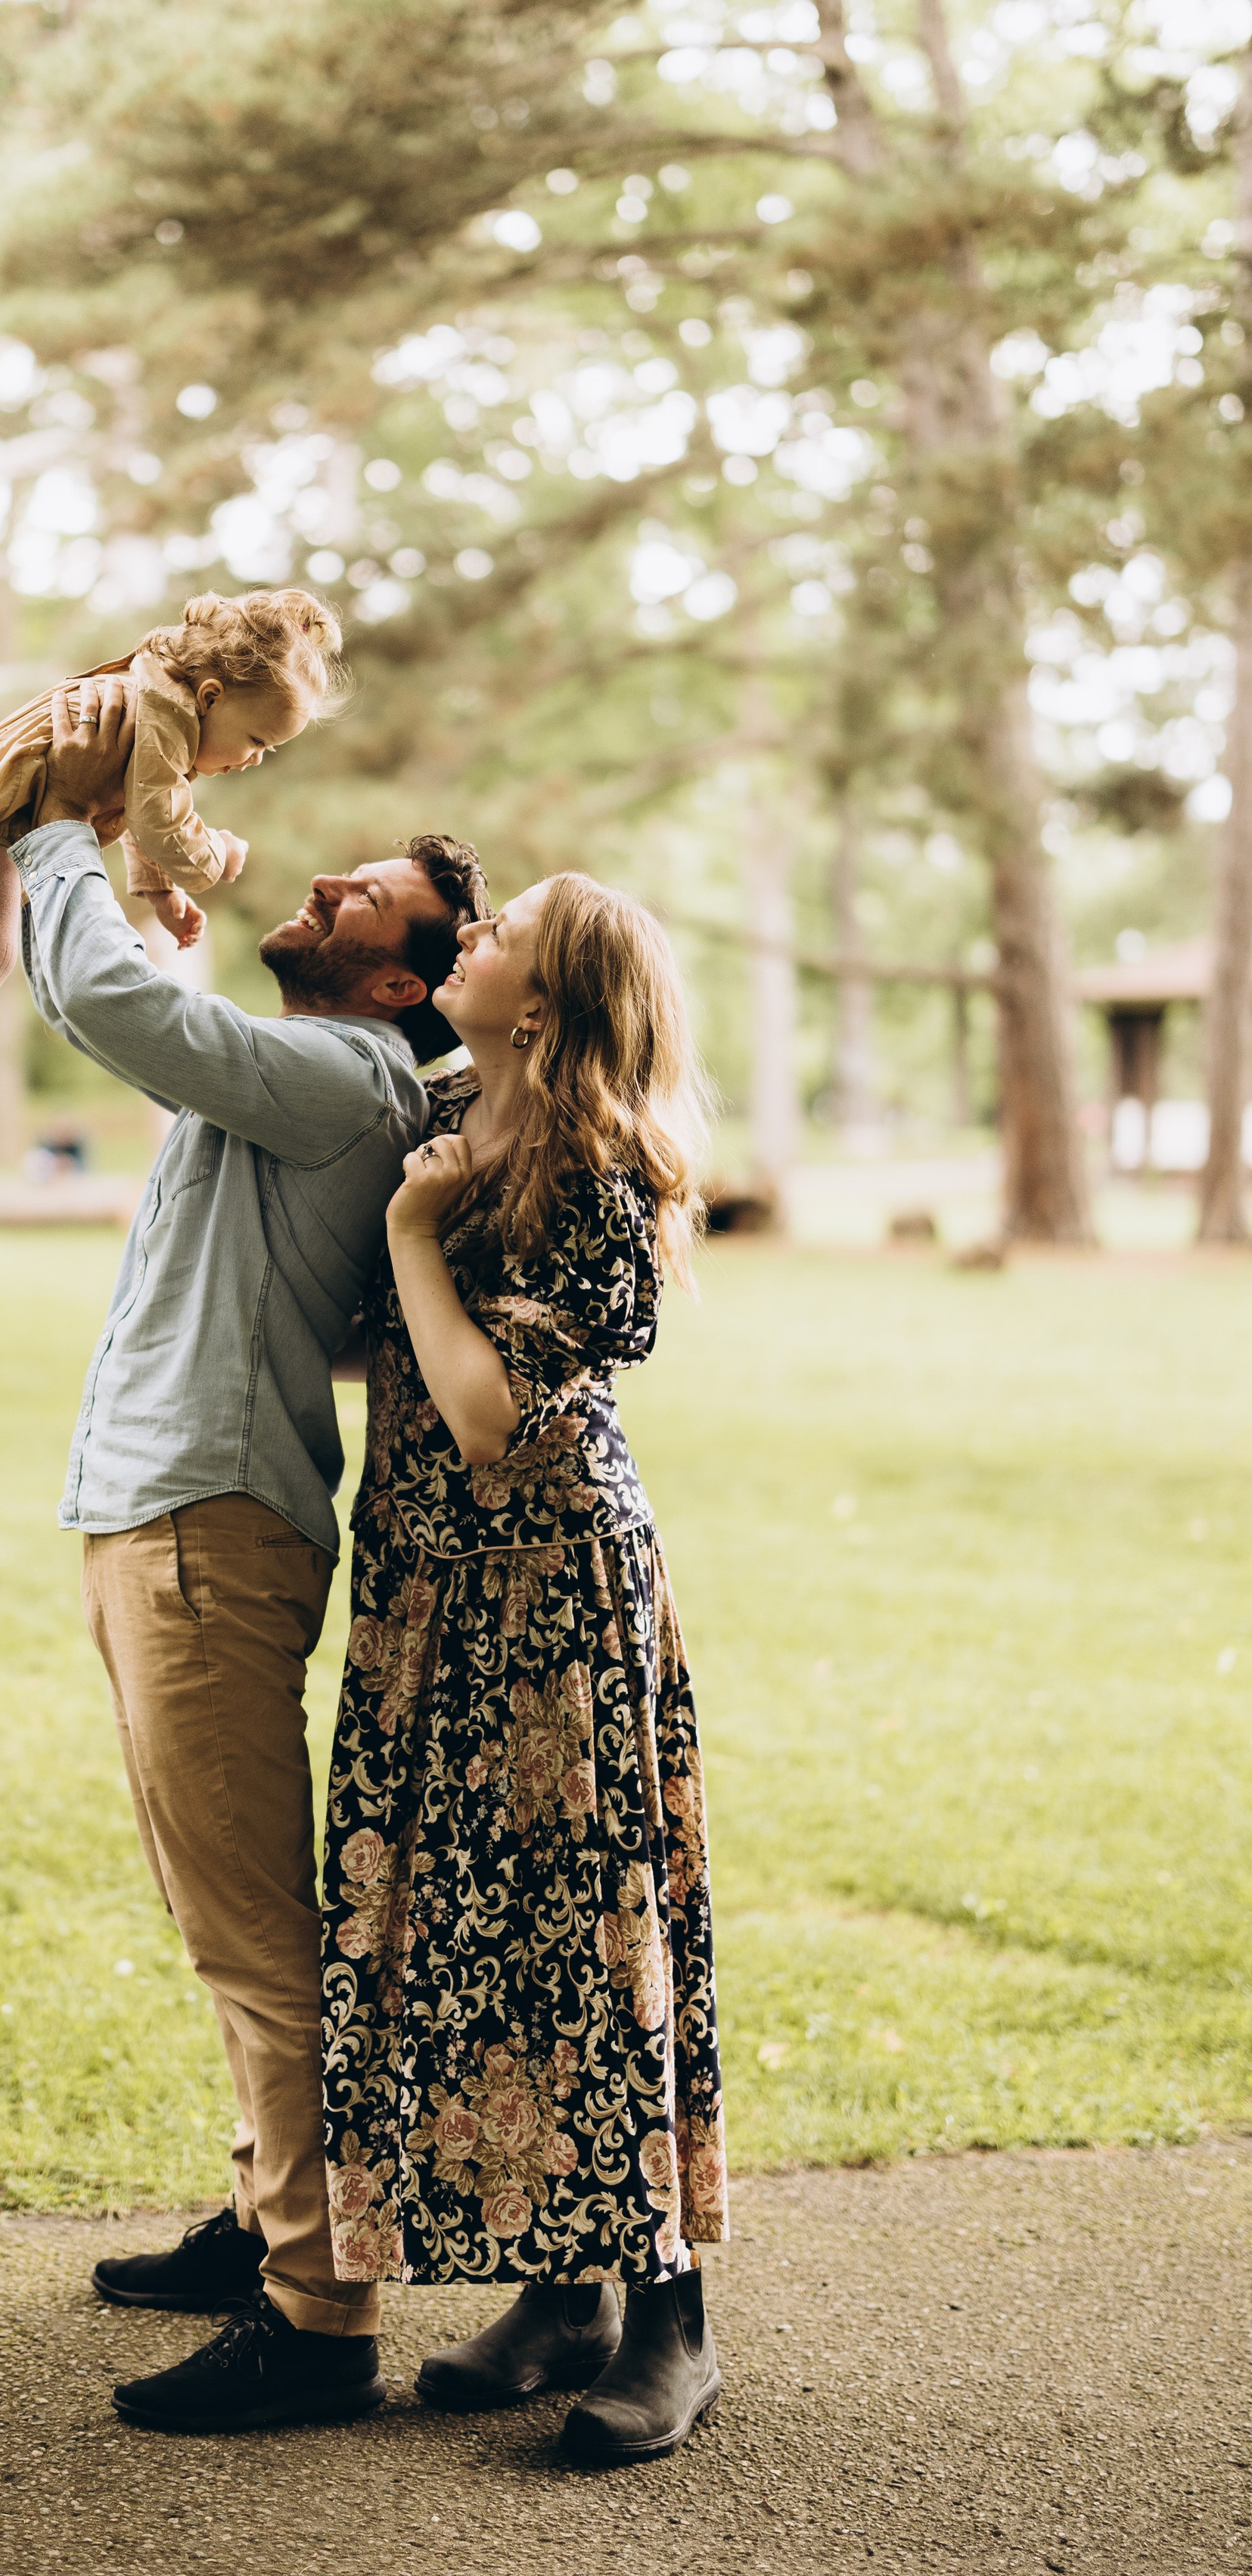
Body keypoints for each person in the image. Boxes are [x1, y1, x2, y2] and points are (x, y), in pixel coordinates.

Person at [6, 674, 487, 2434]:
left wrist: (62, 829)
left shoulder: (348, 1078)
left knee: (248, 1933)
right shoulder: (322, 1072)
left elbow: (90, 1000)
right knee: (217, 1911)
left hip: (203, 1530)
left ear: (399, 980)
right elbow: (174, 1027)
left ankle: (318, 2306)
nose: (322, 891)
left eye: (356, 898)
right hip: (167, 1513)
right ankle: (269, 2211)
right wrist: (165, 929)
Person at [320, 872, 728, 2466]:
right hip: (429, 1588)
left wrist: (412, 1232)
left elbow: (492, 1422)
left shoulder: (599, 1171)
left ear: (543, 1003)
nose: (463, 940)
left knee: (590, 1931)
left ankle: (670, 2316)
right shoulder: (439, 1112)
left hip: (551, 1594)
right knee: (484, 1936)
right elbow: (386, 1356)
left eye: (495, 936)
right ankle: (560, 2293)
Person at [0, 588, 343, 1187]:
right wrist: (214, 859)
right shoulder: (162, 718)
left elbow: (129, 804)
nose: (256, 760)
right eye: (257, 741)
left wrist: (159, 894)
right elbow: (159, 819)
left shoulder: (152, 698)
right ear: (211, 696)